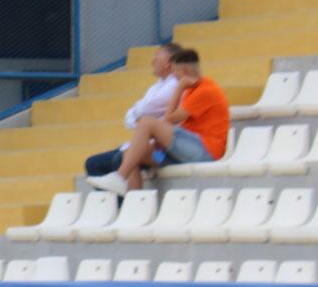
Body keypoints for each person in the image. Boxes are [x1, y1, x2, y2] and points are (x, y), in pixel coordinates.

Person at [92, 48, 231, 195]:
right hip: (183, 153)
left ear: (184, 71)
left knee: (146, 122)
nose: (173, 76)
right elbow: (169, 123)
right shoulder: (191, 91)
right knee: (131, 152)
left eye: (175, 72)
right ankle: (135, 204)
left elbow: (168, 120)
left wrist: (179, 88)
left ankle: (119, 177)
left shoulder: (205, 89)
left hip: (205, 151)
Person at [83, 42, 183, 178]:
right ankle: (116, 199)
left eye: (156, 58)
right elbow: (130, 120)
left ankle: (127, 197)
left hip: (163, 154)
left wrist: (138, 112)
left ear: (168, 63)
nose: (152, 62)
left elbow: (145, 110)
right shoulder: (156, 87)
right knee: (93, 163)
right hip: (144, 146)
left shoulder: (174, 86)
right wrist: (138, 113)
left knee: (121, 158)